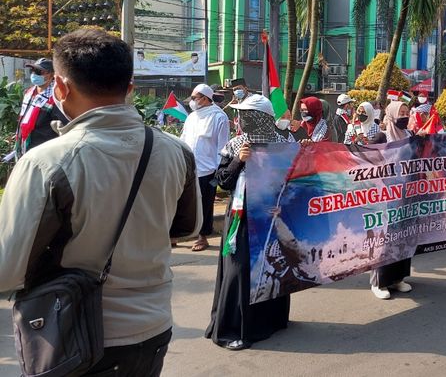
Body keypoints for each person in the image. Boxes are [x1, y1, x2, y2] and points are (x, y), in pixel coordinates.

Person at [0, 28, 201, 376]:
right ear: (130, 88)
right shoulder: (176, 151)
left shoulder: (46, 163)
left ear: (59, 87)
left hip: (75, 336)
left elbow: (7, 270)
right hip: (153, 329)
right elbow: (188, 228)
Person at [206, 94, 293, 350]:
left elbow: (293, 180)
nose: (241, 119)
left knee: (272, 267)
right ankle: (235, 328)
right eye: (241, 115)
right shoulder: (236, 145)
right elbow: (221, 181)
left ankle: (272, 320)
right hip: (242, 218)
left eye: (247, 115)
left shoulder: (284, 142)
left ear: (262, 118)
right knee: (240, 269)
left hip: (271, 218)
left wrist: (284, 203)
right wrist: (238, 161)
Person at [370, 101, 413, 299]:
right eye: (401, 112)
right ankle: (379, 281)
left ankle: (398, 278)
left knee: (404, 236)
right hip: (386, 197)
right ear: (392, 114)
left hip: (408, 195)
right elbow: (367, 164)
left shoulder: (410, 136)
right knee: (385, 238)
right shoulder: (382, 136)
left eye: (407, 112)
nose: (404, 115)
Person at [181, 83, 230, 251]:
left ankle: (203, 237)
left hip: (208, 170)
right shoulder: (191, 117)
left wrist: (218, 171)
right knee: (182, 202)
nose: (192, 101)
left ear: (205, 98)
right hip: (188, 168)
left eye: (195, 98)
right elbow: (184, 139)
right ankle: (178, 234)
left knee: (205, 205)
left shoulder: (219, 117)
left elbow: (222, 146)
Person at [14, 58, 66, 159]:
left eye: (39, 71)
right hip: (25, 146)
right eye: (32, 71)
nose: (34, 74)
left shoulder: (56, 97)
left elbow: (62, 126)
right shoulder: (29, 93)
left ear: (51, 75)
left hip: (43, 151)